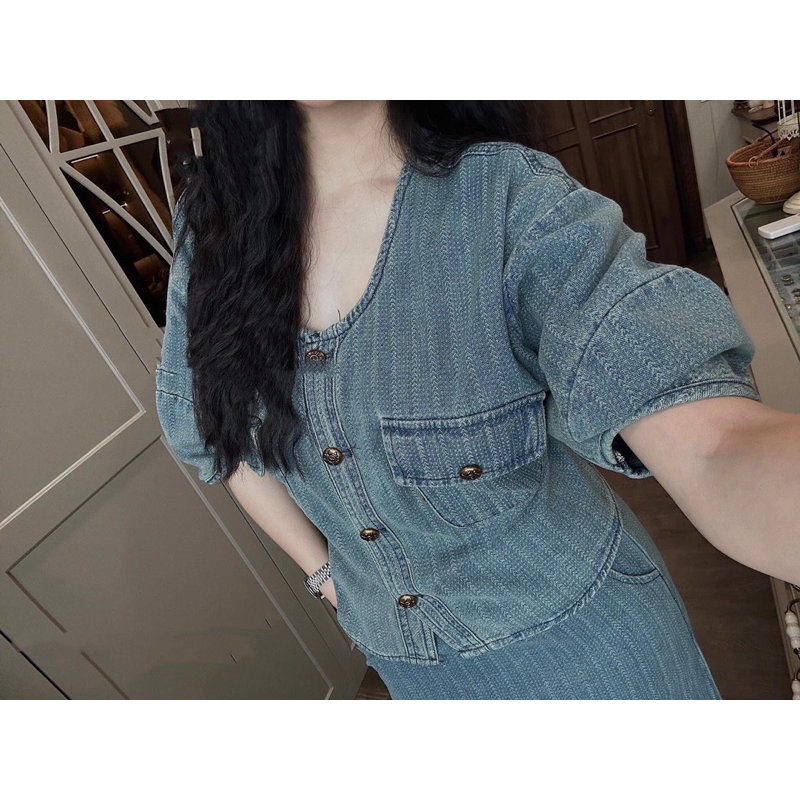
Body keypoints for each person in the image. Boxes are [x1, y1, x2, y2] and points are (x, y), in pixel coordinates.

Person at [156, 101, 774, 699]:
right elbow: (219, 436)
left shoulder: (507, 198)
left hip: (587, 647)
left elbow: (712, 441)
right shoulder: (210, 230)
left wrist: (737, 454)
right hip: (411, 668)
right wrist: (325, 575)